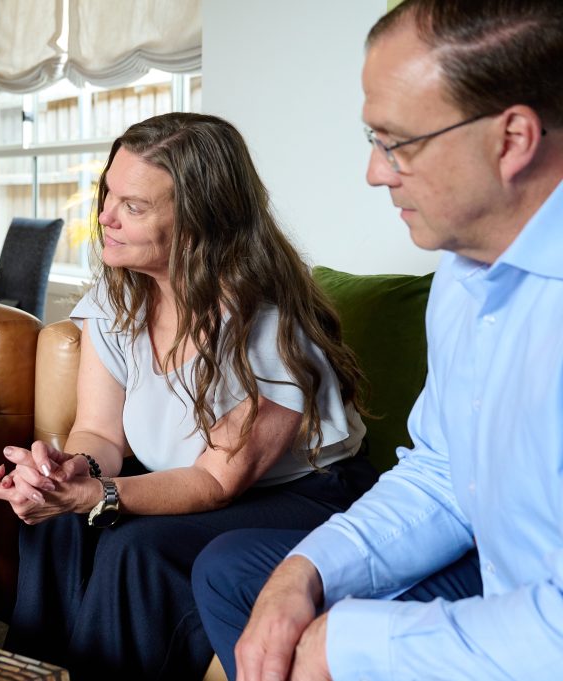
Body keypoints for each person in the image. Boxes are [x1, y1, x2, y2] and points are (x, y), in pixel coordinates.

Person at [192, 0, 563, 679]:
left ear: (512, 139)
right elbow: (443, 471)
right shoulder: (462, 271)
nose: (376, 172)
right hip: (503, 573)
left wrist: (355, 642)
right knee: (244, 575)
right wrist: (304, 570)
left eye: (398, 143)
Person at [0, 112, 379, 680]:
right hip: (191, 479)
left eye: (134, 206)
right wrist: (67, 473)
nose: (105, 217)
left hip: (302, 495)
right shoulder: (118, 297)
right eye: (108, 194)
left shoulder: (268, 325)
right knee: (58, 521)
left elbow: (215, 482)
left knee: (136, 548)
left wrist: (100, 494)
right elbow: (99, 433)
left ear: (200, 220)